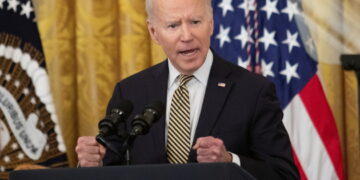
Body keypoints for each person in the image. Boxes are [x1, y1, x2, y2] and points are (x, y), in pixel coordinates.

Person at [75, 0, 299, 179]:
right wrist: (93, 163)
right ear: (154, 32)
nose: (187, 36)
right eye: (173, 25)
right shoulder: (130, 92)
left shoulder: (253, 91)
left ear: (210, 23)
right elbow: (112, 165)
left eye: (195, 22)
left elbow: (284, 174)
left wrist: (230, 161)